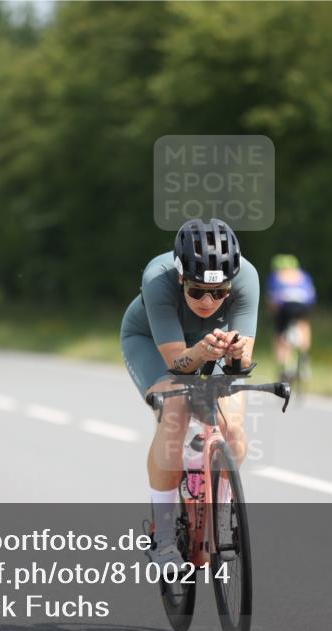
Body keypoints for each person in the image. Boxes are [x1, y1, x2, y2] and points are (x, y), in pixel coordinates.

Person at [120, 218, 259, 568]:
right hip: (152, 344)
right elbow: (178, 365)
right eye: (196, 291)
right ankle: (163, 537)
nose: (208, 301)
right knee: (177, 411)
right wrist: (201, 353)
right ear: (181, 277)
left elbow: (241, 366)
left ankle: (223, 515)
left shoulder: (248, 278)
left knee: (234, 425)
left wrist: (237, 354)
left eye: (219, 293)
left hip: (211, 344)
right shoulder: (157, 278)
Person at [267, 254, 315, 381]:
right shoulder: (303, 275)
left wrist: (274, 316)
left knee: (279, 335)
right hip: (303, 305)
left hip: (286, 307)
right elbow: (311, 296)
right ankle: (305, 356)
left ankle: (283, 366)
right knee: (304, 324)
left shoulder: (276, 276)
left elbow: (272, 301)